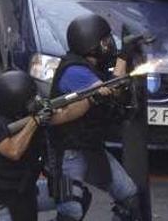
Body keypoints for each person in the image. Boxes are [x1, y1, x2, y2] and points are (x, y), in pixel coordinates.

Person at [50, 14, 144, 220]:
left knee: (128, 197)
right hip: (68, 154)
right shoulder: (75, 71)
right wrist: (123, 58)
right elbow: (111, 90)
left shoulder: (90, 67)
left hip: (91, 147)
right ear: (90, 44)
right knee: (71, 211)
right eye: (105, 41)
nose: (109, 44)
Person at [0, 71, 90, 221]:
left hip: (28, 190)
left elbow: (66, 115)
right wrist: (35, 121)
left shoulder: (28, 115)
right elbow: (14, 151)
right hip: (4, 202)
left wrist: (91, 99)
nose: (34, 102)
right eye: (29, 101)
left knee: (76, 196)